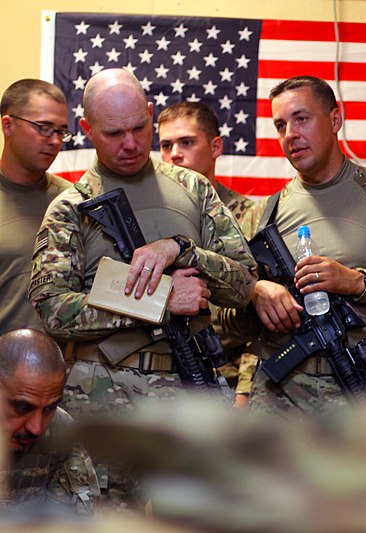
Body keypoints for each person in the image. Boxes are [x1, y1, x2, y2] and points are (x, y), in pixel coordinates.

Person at [28, 68, 257, 417]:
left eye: (139, 127)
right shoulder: (70, 207)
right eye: (114, 133)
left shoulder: (193, 188)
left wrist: (183, 250)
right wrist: (159, 299)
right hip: (102, 399)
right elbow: (54, 311)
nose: (131, 144)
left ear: (150, 112)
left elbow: (244, 284)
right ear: (87, 129)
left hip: (191, 394)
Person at [222, 76, 366, 416]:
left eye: (302, 119)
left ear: (335, 120)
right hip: (276, 403)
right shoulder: (262, 214)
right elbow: (222, 320)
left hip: (360, 394)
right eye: (281, 125)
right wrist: (255, 294)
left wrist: (358, 282)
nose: (290, 134)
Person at [158, 101, 255, 395]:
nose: (174, 154)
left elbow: (263, 316)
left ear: (215, 147)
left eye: (187, 142)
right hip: (159, 376)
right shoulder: (150, 216)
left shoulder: (248, 215)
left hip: (225, 375)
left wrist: (246, 391)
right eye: (165, 145)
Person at [0, 328, 99, 515]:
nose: (36, 428)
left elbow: (78, 520)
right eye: (23, 408)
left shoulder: (60, 430)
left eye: (49, 409)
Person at [0, 80, 72, 334]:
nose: (55, 141)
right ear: (8, 125)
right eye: (44, 128)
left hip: (67, 368)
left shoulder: (72, 201)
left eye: (61, 131)